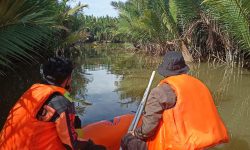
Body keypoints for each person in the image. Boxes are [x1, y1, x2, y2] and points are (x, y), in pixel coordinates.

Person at [121, 51, 229, 150]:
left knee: (127, 139)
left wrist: (135, 133)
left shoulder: (160, 91)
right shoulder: (200, 84)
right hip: (202, 141)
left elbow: (147, 130)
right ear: (183, 69)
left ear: (165, 71)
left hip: (175, 145)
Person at [0, 57, 106, 150]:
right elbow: (71, 144)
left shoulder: (33, 91)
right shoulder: (61, 102)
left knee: (76, 121)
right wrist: (91, 146)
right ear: (68, 79)